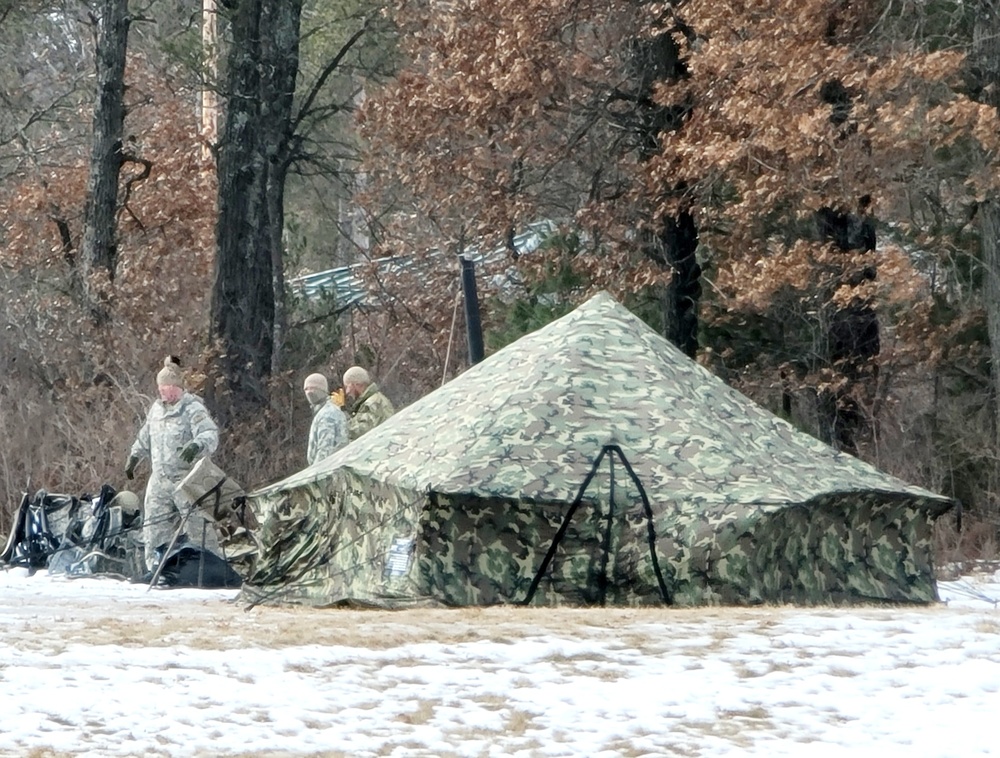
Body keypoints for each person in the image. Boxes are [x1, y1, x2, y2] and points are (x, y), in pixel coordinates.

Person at [125, 357, 222, 571]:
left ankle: (212, 568)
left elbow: (209, 433)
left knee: (199, 529)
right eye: (160, 388)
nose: (162, 393)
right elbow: (145, 436)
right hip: (159, 479)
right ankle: (157, 568)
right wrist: (134, 457)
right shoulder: (156, 410)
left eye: (166, 388)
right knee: (154, 527)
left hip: (186, 479)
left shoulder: (192, 407)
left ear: (176, 388)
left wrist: (196, 445)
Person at [303, 372, 348, 464]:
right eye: (306, 389)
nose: (309, 392)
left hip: (329, 472)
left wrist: (314, 475)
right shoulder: (326, 411)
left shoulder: (327, 415)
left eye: (313, 388)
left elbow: (325, 451)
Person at [342, 365, 394, 440]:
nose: (347, 392)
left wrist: (341, 420)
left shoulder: (372, 403)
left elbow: (362, 431)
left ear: (356, 384)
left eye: (347, 386)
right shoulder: (374, 399)